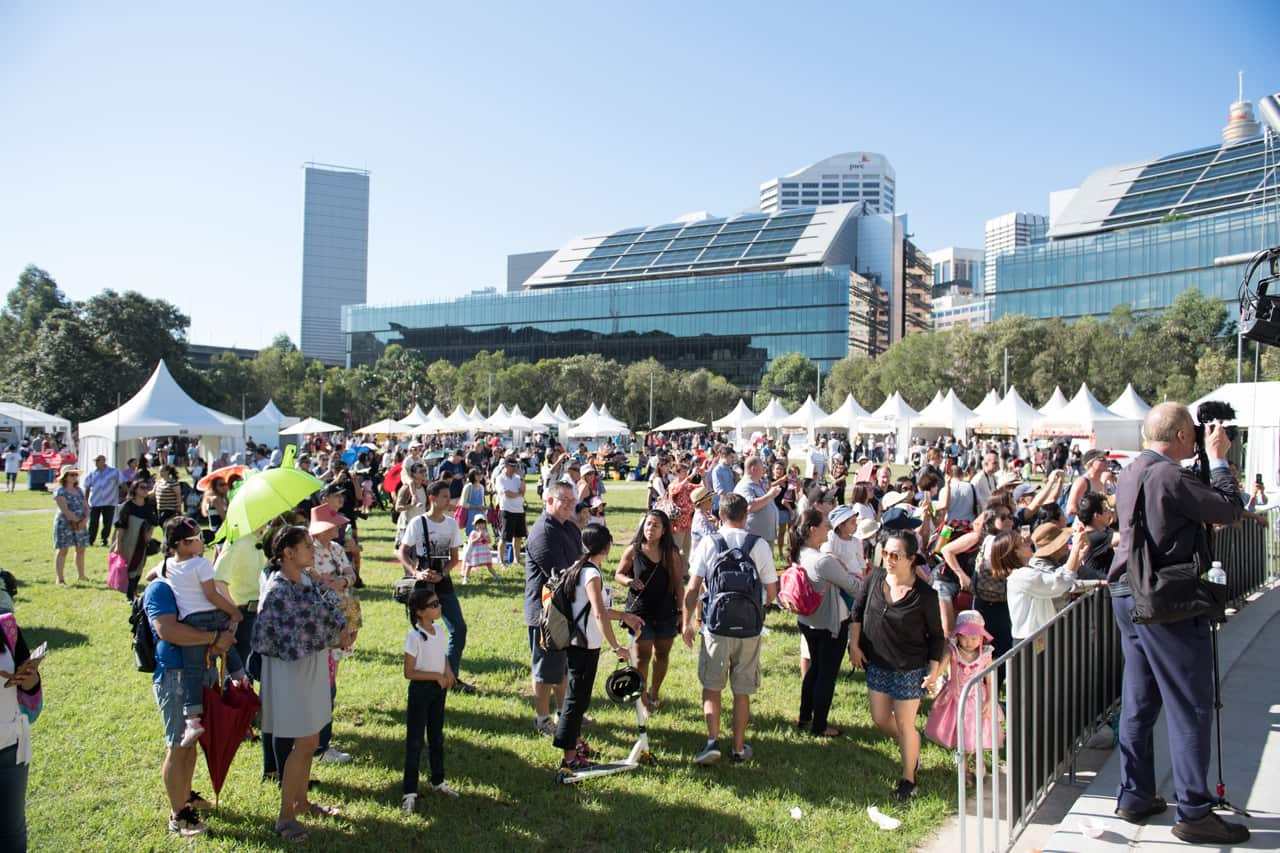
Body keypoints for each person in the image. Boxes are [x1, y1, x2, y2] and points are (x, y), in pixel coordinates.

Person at [1107, 403, 1249, 844]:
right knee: (1191, 703)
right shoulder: (1171, 475)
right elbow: (1228, 509)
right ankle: (1193, 809)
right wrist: (1221, 460)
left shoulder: (1131, 471)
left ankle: (1135, 794)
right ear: (1186, 434)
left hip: (1126, 591)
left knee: (1140, 696)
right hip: (1165, 602)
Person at [252, 525, 348, 842]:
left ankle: (302, 802)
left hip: (312, 666)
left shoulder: (305, 578)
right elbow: (284, 635)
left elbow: (321, 613)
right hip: (290, 673)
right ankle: (285, 817)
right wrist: (331, 624)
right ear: (288, 553)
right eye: (306, 545)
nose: (312, 549)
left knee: (308, 742)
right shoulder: (277, 589)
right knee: (303, 742)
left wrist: (331, 619)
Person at [681, 493, 779, 766]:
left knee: (712, 687)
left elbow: (691, 588)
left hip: (716, 624)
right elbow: (771, 591)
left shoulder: (710, 543)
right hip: (749, 628)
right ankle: (738, 748)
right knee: (742, 690)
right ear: (745, 515)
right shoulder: (758, 545)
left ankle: (713, 741)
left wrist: (686, 621)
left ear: (719, 516)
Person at [849, 531, 945, 803]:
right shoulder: (875, 578)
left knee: (905, 724)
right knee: (880, 719)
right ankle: (910, 748)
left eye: (895, 555)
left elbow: (938, 637)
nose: (888, 560)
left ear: (911, 559)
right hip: (875, 663)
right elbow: (857, 612)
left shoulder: (924, 595)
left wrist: (934, 671)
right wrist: (854, 646)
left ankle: (908, 778)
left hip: (909, 667)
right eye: (885, 553)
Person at [144, 565, 235, 837]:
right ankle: (178, 816)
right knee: (178, 744)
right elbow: (168, 631)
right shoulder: (159, 588)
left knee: (191, 741)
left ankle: (185, 795)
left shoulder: (199, 587)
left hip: (201, 673)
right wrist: (213, 637)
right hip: (175, 676)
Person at [150, 517, 247, 747]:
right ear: (183, 544)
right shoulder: (200, 565)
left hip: (190, 621)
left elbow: (150, 576)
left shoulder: (167, 565)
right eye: (198, 539)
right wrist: (234, 612)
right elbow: (212, 595)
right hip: (210, 616)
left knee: (193, 671)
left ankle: (192, 719)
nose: (203, 543)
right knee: (229, 642)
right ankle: (240, 678)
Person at [554, 524, 644, 772]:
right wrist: (616, 646)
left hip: (578, 643)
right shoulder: (591, 574)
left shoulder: (580, 568)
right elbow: (599, 612)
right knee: (575, 700)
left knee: (579, 699)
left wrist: (624, 616)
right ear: (605, 547)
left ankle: (576, 743)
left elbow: (597, 610)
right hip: (584, 645)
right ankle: (569, 757)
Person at [398, 480, 472, 693]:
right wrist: (416, 572)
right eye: (445, 497)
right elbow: (402, 551)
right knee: (425, 632)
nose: (449, 500)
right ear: (432, 499)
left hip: (443, 581)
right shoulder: (418, 523)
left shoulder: (450, 524)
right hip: (423, 583)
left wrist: (444, 573)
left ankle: (451, 676)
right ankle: (427, 675)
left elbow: (454, 557)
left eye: (449, 496)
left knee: (458, 629)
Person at [792, 509, 860, 737]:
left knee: (815, 670)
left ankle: (804, 717)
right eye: (825, 526)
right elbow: (852, 586)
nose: (829, 529)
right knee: (826, 676)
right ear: (812, 529)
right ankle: (820, 725)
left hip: (807, 621)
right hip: (830, 624)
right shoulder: (822, 561)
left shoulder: (800, 553)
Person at [524, 480, 581, 735]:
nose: (570, 505)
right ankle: (542, 718)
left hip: (566, 608)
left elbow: (579, 562)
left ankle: (563, 713)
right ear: (549, 501)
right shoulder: (543, 532)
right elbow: (559, 574)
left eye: (572, 500)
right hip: (545, 612)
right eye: (564, 500)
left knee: (563, 666)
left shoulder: (570, 527)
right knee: (545, 670)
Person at [923, 610, 1003, 782]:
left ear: (982, 638)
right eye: (965, 638)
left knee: (979, 732)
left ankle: (979, 764)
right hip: (956, 698)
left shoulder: (985, 655)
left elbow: (990, 680)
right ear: (957, 636)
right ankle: (964, 768)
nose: (969, 642)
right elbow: (940, 667)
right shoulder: (953, 652)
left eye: (974, 638)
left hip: (977, 700)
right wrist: (933, 678)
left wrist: (990, 699)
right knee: (962, 734)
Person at [615, 510, 684, 709]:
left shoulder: (671, 554)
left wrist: (681, 613)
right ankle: (643, 699)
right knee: (641, 657)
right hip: (639, 613)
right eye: (647, 524)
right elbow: (619, 574)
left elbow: (679, 585)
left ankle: (655, 690)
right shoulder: (634, 550)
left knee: (662, 654)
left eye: (655, 525)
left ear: (664, 531)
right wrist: (629, 581)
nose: (650, 529)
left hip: (665, 613)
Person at [401, 586, 459, 813]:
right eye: (433, 605)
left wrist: (448, 672)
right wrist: (436, 676)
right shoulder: (414, 637)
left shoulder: (439, 630)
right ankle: (409, 792)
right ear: (419, 612)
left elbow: (442, 655)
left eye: (438, 603)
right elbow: (409, 672)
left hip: (439, 690)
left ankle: (438, 781)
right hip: (421, 690)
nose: (439, 607)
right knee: (415, 741)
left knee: (436, 737)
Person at [0, 608, 43, 852]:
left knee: (11, 835)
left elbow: (29, 687)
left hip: (9, 747)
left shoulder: (6, 626)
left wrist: (30, 679)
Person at [112, 479, 159, 599]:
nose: (145, 490)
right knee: (130, 566)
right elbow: (121, 526)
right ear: (135, 490)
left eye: (146, 487)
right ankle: (129, 594)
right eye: (142, 488)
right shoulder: (128, 505)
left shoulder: (148, 506)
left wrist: (149, 533)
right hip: (128, 540)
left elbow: (153, 522)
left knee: (139, 566)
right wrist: (118, 544)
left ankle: (133, 591)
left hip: (142, 541)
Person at [734, 455, 782, 552]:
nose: (764, 469)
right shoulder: (744, 486)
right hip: (754, 537)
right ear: (753, 468)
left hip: (764, 536)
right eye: (762, 467)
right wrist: (770, 495)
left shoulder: (758, 483)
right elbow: (749, 506)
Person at [52, 466, 89, 584]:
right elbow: (65, 510)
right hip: (65, 524)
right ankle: (60, 579)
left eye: (75, 475)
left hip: (81, 523)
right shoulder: (60, 491)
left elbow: (86, 506)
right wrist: (77, 520)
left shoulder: (79, 490)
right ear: (65, 477)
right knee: (63, 550)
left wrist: (85, 519)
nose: (74, 477)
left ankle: (81, 575)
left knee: (81, 549)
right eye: (71, 475)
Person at [1075, 492, 1118, 580]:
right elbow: (1128, 537)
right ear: (1097, 516)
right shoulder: (1096, 537)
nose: (1109, 513)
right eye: (1106, 510)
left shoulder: (1088, 535)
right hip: (1102, 589)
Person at [83, 455, 123, 547]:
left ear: (104, 461)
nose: (96, 463)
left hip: (109, 501)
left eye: (98, 460)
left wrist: (125, 495)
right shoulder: (92, 473)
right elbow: (87, 487)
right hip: (95, 502)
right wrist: (85, 501)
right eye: (95, 461)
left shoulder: (114, 472)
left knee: (107, 522)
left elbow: (122, 483)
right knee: (93, 522)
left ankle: (104, 539)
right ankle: (90, 539)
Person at [496, 456, 527, 571]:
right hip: (507, 510)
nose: (514, 468)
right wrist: (518, 493)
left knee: (518, 537)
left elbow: (523, 492)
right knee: (504, 537)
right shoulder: (500, 478)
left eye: (515, 466)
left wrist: (522, 478)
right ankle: (502, 562)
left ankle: (516, 559)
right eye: (512, 466)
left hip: (519, 509)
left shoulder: (517, 478)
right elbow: (507, 493)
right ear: (505, 466)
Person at [460, 516, 499, 583]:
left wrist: (484, 537)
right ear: (476, 525)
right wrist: (479, 537)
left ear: (484, 524)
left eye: (482, 523)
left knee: (489, 565)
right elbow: (472, 542)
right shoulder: (473, 533)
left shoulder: (486, 533)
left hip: (484, 553)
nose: (480, 525)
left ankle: (496, 576)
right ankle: (465, 579)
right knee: (469, 566)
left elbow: (489, 541)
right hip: (475, 553)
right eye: (478, 524)